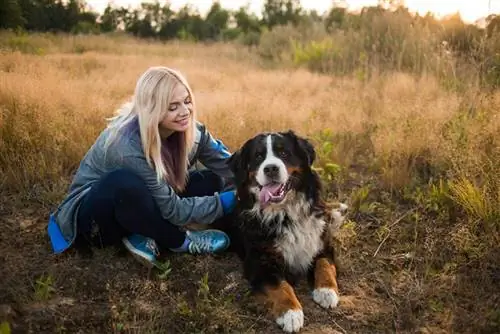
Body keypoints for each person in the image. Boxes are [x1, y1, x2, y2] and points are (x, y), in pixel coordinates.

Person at [47, 66, 237, 268]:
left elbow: (232, 167)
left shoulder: (194, 132)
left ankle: (143, 233)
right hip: (99, 218)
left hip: (151, 199)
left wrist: (262, 180)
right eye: (172, 107)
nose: (185, 112)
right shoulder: (125, 145)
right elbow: (174, 210)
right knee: (123, 184)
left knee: (211, 180)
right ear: (151, 109)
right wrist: (231, 199)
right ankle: (181, 241)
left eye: (187, 101)